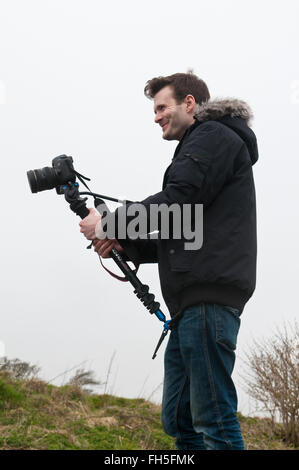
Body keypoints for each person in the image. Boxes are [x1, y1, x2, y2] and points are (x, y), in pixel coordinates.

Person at [79, 72, 258, 450]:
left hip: (208, 300)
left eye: (162, 107)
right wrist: (128, 247)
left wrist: (109, 222)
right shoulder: (202, 145)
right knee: (179, 416)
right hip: (189, 306)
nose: (156, 116)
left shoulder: (214, 137)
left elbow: (178, 203)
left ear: (189, 103)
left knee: (213, 417)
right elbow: (185, 226)